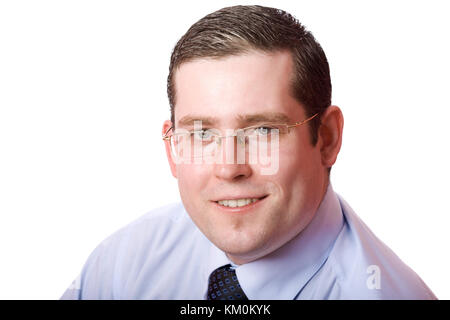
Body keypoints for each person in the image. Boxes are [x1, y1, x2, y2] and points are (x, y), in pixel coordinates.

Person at [61, 5, 436, 300]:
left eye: (262, 130)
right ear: (173, 149)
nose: (229, 167)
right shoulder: (121, 266)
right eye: (201, 133)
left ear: (326, 138)